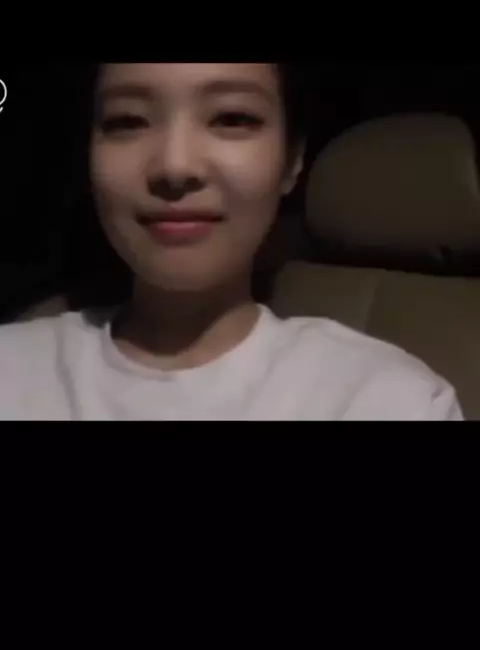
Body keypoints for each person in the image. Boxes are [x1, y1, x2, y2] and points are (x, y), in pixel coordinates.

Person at [0, 63, 463, 420]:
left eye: (232, 117)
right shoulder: (14, 367)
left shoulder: (386, 400)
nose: (175, 166)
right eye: (128, 121)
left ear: (292, 161)